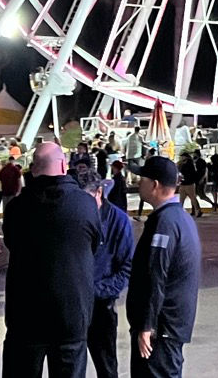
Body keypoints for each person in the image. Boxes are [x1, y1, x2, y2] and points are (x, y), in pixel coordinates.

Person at [0, 142, 100, 378]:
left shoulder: (17, 208)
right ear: (64, 165)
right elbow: (93, 245)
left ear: (33, 169)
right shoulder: (85, 204)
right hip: (72, 313)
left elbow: (11, 242)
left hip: (25, 314)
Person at [128, 157, 202, 378]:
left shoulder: (165, 223)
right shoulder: (179, 217)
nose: (138, 182)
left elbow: (156, 275)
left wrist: (147, 326)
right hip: (169, 327)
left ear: (155, 185)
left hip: (161, 329)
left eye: (143, 178)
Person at [79, 162, 136, 378]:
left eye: (87, 199)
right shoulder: (76, 218)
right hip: (74, 307)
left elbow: (126, 268)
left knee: (107, 368)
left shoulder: (118, 221)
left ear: (99, 192)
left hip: (101, 306)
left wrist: (95, 291)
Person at [178, 150, 205, 219]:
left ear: (186, 157)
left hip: (189, 183)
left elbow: (189, 173)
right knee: (182, 199)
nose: (181, 158)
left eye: (182, 157)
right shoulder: (182, 163)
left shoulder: (189, 164)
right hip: (183, 183)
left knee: (192, 198)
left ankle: (198, 210)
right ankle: (179, 212)